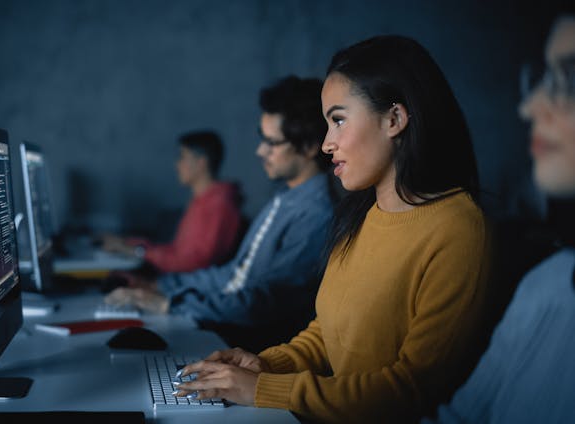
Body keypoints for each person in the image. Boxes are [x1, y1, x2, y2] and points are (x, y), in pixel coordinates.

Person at [173, 36, 492, 422]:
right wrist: (261, 365)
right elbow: (327, 335)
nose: (326, 144)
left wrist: (261, 389)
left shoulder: (458, 228)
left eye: (338, 120)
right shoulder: (360, 212)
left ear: (394, 119)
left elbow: (410, 389)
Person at [106, 75, 336, 350]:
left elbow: (265, 303)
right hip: (228, 325)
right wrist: (165, 288)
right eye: (261, 139)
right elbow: (234, 274)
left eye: (272, 143)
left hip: (250, 344)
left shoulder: (316, 214)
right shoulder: (286, 197)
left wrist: (170, 303)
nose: (260, 151)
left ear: (310, 146)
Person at [425, 15, 575, 424]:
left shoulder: (459, 227)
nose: (527, 107)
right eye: (544, 78)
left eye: (571, 79)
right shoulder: (547, 282)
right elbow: (462, 416)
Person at [100, 130, 243, 273]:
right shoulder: (203, 200)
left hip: (184, 285)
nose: (177, 164)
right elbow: (178, 252)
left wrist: (138, 252)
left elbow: (193, 263)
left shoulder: (218, 205)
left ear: (201, 163)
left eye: (182, 157)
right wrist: (127, 243)